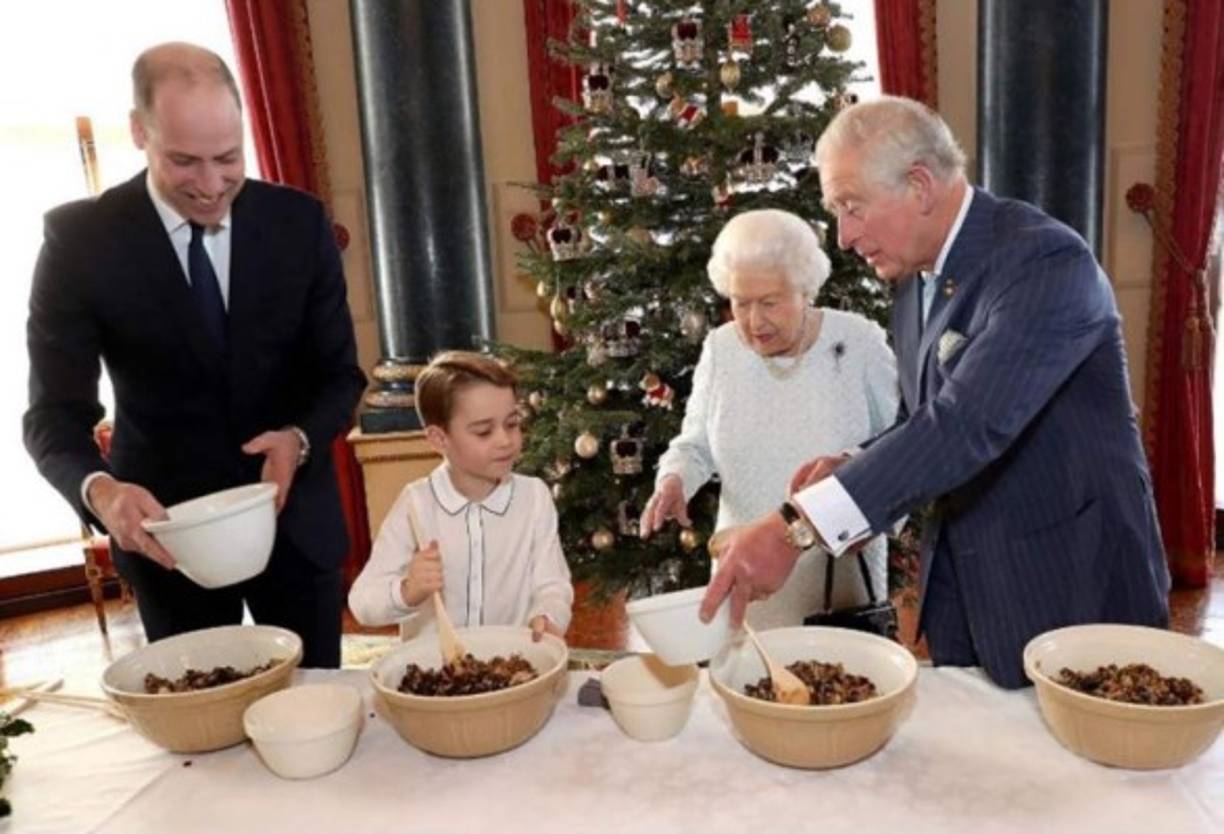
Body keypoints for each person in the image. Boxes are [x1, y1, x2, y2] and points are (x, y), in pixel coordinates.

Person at [700, 96, 1170, 688]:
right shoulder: (915, 278)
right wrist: (856, 462)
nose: (843, 237)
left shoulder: (1045, 262)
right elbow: (923, 417)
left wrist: (797, 527)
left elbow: (963, 425)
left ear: (919, 185)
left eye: (851, 207)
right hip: (967, 593)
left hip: (1070, 585)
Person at [24, 43, 366, 668]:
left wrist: (299, 439)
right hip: (166, 544)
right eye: (184, 161)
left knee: (317, 731)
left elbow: (340, 376)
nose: (211, 187)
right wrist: (102, 493)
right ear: (138, 132)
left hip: (295, 534)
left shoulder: (299, 224)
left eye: (228, 159)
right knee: (200, 744)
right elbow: (51, 418)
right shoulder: (80, 243)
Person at [639, 210, 898, 629]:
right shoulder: (721, 348)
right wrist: (674, 480)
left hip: (837, 583)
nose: (755, 322)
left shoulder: (858, 342)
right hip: (744, 576)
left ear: (805, 290)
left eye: (770, 303)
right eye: (741, 303)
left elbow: (901, 449)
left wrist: (872, 515)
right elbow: (695, 445)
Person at [347, 351, 573, 641]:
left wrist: (547, 616)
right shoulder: (415, 504)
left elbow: (553, 585)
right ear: (439, 439)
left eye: (512, 424)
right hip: (436, 675)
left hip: (512, 665)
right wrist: (408, 591)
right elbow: (362, 603)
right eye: (483, 431)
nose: (505, 440)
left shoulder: (534, 498)